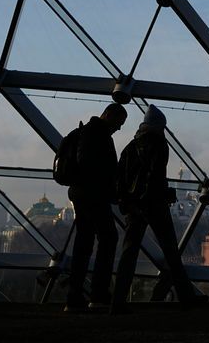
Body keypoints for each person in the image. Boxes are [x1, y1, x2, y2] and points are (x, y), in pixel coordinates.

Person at [111, 104, 204, 313]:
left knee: (129, 253)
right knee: (171, 252)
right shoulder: (159, 143)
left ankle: (117, 301)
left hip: (134, 207)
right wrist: (163, 195)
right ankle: (187, 297)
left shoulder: (130, 146)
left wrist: (128, 202)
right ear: (159, 126)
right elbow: (155, 177)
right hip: (155, 206)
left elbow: (120, 178)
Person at [64, 102, 127, 312]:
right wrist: (109, 188)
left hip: (82, 194)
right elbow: (90, 165)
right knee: (108, 238)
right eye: (119, 122)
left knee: (84, 242)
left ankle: (74, 296)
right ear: (108, 114)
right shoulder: (96, 134)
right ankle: (98, 295)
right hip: (93, 195)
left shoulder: (85, 132)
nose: (118, 128)